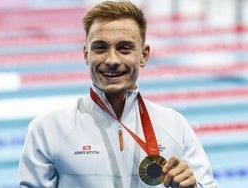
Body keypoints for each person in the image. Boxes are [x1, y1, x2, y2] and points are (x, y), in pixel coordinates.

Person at [18, 1, 218, 187]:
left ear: (144, 55)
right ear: (86, 54)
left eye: (124, 48)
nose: (112, 60)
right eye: (100, 48)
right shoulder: (48, 129)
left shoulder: (174, 125)